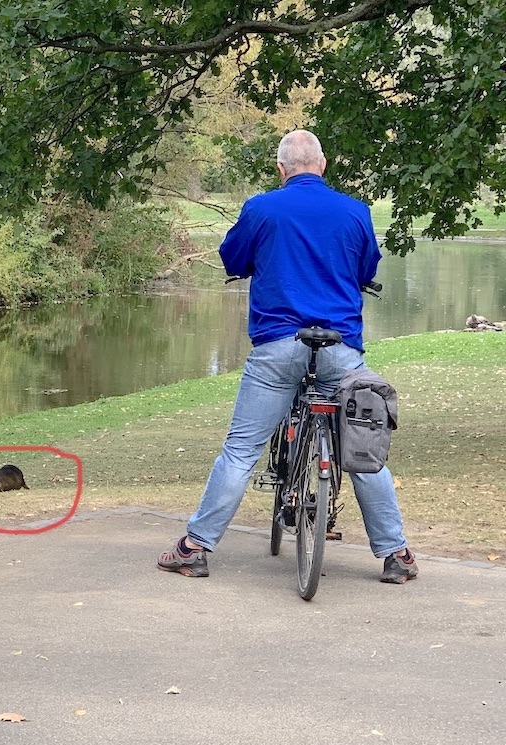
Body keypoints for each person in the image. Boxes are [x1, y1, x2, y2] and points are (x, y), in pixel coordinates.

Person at [157, 130, 418, 585]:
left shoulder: (262, 208)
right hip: (339, 347)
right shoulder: (355, 211)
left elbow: (233, 259)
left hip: (278, 345)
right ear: (323, 164)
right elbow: (366, 269)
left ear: (281, 169)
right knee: (362, 447)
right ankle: (396, 554)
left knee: (241, 451)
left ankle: (194, 549)